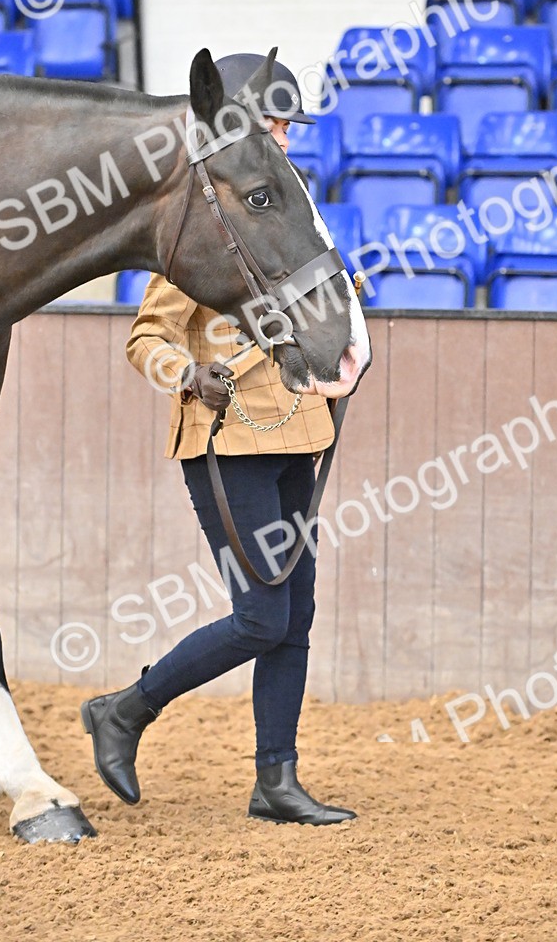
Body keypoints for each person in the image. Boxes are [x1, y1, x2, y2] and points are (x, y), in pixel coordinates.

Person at [81, 53, 356, 826]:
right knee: (261, 616)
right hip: (225, 438)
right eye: (272, 121)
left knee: (294, 616)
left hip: (296, 430)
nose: (283, 136)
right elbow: (146, 337)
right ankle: (127, 710)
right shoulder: (209, 217)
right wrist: (187, 372)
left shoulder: (286, 208)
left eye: (286, 125)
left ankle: (276, 780)